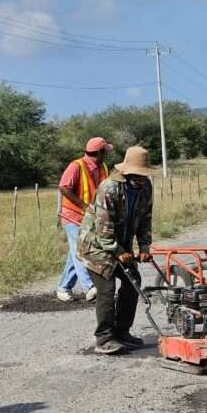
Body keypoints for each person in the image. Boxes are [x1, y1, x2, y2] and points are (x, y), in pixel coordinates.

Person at [77, 146, 154, 355]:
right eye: (136, 176)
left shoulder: (146, 188)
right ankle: (104, 338)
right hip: (95, 245)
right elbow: (104, 229)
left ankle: (122, 332)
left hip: (121, 243)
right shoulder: (109, 188)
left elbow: (145, 219)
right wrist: (118, 251)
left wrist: (145, 246)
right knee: (106, 288)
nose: (140, 180)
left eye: (143, 175)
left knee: (133, 282)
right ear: (126, 172)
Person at [56, 137, 113, 303]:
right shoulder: (76, 166)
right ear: (99, 152)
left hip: (90, 218)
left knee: (75, 253)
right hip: (72, 215)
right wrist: (83, 206)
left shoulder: (102, 166)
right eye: (105, 151)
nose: (107, 154)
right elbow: (64, 187)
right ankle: (89, 287)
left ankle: (63, 287)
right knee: (80, 250)